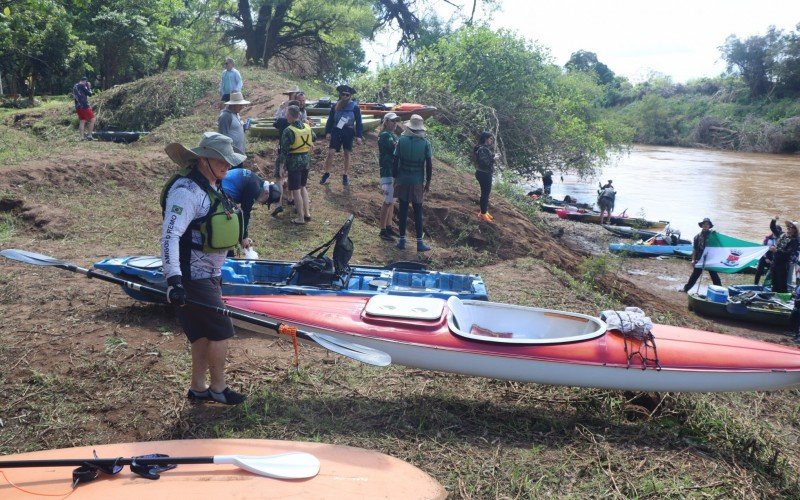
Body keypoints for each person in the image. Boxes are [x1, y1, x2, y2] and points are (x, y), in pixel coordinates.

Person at [160, 132, 248, 405]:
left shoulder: (211, 184)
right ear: (203, 159)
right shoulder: (187, 192)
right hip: (193, 276)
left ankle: (198, 387)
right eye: (221, 160)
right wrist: (174, 279)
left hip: (209, 274)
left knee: (201, 334)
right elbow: (170, 235)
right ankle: (219, 388)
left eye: (229, 161)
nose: (227, 166)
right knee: (221, 332)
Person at [393, 114, 433, 252]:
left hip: (403, 179)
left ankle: (402, 240)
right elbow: (429, 164)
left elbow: (395, 160)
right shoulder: (425, 143)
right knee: (417, 211)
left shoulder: (401, 140)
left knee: (403, 210)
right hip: (417, 181)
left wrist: (395, 178)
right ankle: (419, 243)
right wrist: (428, 181)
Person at [222, 167, 281, 251]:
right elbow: (244, 213)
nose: (262, 204)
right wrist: (244, 237)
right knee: (228, 223)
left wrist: (243, 236)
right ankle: (227, 250)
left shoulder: (257, 182)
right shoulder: (254, 188)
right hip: (223, 190)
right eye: (265, 202)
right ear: (266, 193)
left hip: (224, 185)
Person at [320, 84, 363, 186]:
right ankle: (326, 173)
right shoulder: (335, 106)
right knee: (331, 152)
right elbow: (330, 120)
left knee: (347, 154)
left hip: (348, 131)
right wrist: (328, 132)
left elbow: (359, 122)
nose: (344, 96)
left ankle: (345, 175)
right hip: (336, 130)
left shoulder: (355, 107)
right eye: (343, 94)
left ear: (350, 96)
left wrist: (359, 136)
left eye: (347, 95)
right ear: (340, 95)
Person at [278, 105, 314, 224]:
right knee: (303, 187)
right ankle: (307, 213)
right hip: (306, 160)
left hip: (294, 161)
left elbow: (284, 151)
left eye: (286, 114)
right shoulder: (307, 126)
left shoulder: (288, 130)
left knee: (296, 190)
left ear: (289, 115)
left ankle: (300, 217)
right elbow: (314, 137)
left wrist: (281, 166)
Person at [378, 113, 402, 241]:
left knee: (392, 201)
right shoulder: (385, 135)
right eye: (392, 121)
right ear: (386, 122)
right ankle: (382, 230)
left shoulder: (393, 135)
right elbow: (395, 148)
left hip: (394, 171)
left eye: (396, 121)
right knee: (387, 201)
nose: (395, 124)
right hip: (387, 171)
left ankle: (389, 227)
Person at [682, 217, 722, 293]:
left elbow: (719, 244)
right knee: (695, 275)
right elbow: (695, 249)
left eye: (707, 224)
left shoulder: (713, 235)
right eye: (704, 224)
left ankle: (720, 290)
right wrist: (693, 260)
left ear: (710, 226)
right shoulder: (697, 237)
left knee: (714, 276)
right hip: (700, 258)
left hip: (710, 258)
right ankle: (686, 289)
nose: (706, 225)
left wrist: (717, 234)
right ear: (702, 225)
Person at [218, 92, 251, 168]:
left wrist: (245, 127)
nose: (242, 107)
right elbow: (222, 137)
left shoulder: (236, 114)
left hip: (239, 154)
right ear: (233, 105)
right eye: (240, 105)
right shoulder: (225, 116)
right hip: (231, 156)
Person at [770, 219, 800, 293]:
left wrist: (776, 250)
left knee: (781, 284)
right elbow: (773, 228)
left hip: (783, 264)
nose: (788, 228)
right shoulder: (782, 234)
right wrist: (774, 220)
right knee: (774, 282)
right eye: (788, 226)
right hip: (775, 262)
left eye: (791, 227)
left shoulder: (794, 240)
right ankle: (774, 297)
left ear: (795, 230)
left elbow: (788, 253)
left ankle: (782, 299)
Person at [473, 131, 497, 222]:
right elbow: (485, 163)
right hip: (484, 174)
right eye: (490, 138)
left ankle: (484, 211)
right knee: (485, 194)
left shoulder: (483, 148)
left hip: (482, 173)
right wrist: (494, 159)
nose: (492, 141)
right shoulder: (483, 149)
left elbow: (486, 159)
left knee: (485, 193)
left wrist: (493, 156)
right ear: (486, 139)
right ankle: (483, 213)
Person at [754, 216, 783, 286]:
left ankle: (770, 285)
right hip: (765, 257)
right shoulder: (767, 239)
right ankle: (755, 283)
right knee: (759, 271)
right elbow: (763, 249)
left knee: (773, 272)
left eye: (778, 231)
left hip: (774, 258)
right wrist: (766, 258)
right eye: (775, 231)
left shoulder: (781, 239)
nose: (776, 233)